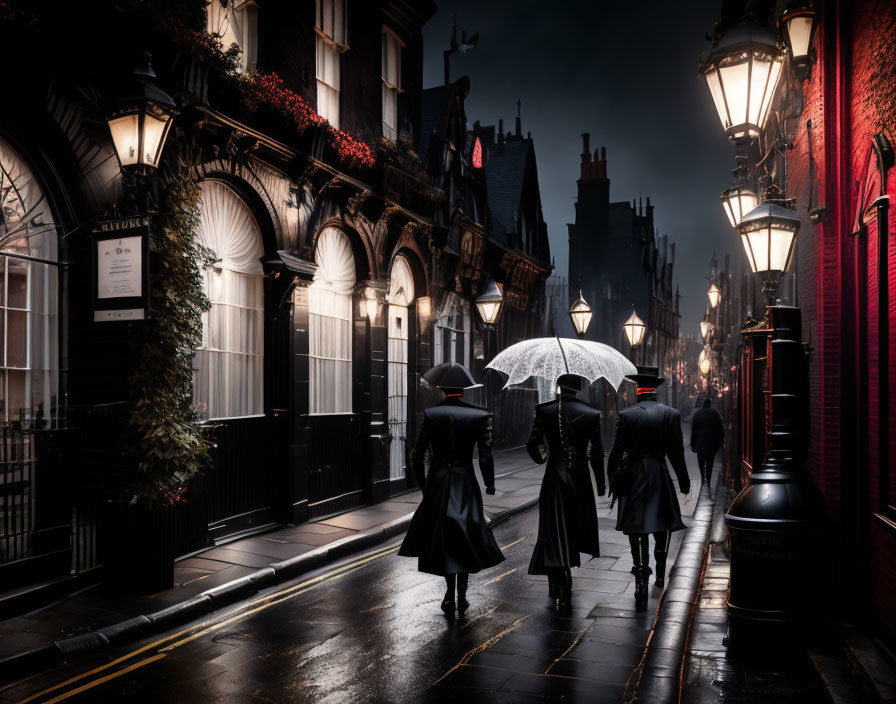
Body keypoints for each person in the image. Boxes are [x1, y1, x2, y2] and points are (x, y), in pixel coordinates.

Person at [398, 381, 505, 617]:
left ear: (442, 389)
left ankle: (449, 593)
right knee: (464, 536)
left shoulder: (431, 414)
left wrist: (425, 487)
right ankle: (462, 594)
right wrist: (490, 484)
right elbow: (486, 456)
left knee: (445, 539)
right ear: (463, 389)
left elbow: (417, 455)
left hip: (438, 483)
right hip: (465, 482)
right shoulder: (479, 415)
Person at [607, 366, 690, 611]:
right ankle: (660, 574)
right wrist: (684, 482)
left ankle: (640, 577)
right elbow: (677, 454)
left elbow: (615, 454)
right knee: (661, 524)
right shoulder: (671, 414)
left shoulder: (626, 415)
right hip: (658, 473)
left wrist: (610, 480)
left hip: (633, 475)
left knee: (636, 527)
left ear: (637, 390)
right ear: (656, 390)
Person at [525, 374, 604, 614]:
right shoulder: (591, 413)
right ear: (578, 387)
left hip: (554, 477)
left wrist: (543, 457)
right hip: (579, 478)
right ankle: (564, 572)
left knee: (553, 527)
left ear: (559, 385)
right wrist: (601, 484)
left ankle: (558, 575)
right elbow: (597, 453)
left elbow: (532, 443)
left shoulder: (545, 410)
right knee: (573, 526)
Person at [690, 397, 725, 484]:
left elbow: (694, 431)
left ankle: (703, 478)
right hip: (711, 445)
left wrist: (693, 444)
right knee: (710, 464)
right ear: (710, 404)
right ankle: (708, 480)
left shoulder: (698, 414)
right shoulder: (714, 413)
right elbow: (721, 430)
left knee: (701, 463)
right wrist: (720, 443)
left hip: (700, 445)